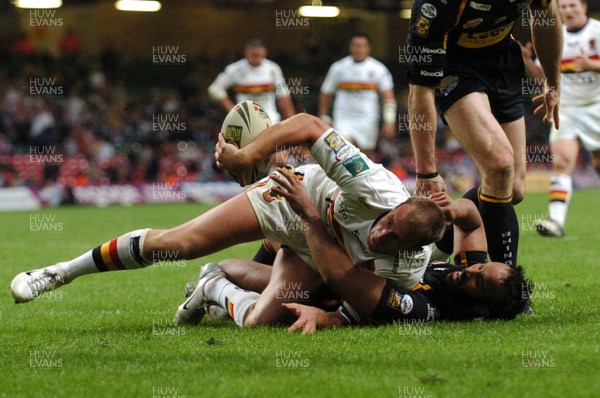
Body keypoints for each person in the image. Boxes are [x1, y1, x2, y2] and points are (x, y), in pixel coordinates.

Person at [10, 113, 446, 329]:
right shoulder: (374, 185)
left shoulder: (406, 269)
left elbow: (362, 302)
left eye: (392, 236)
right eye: (389, 219)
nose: (381, 229)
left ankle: (212, 286)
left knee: (260, 323)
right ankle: (59, 272)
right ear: (397, 203)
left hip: (316, 243)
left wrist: (327, 316)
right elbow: (312, 126)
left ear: (409, 251)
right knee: (179, 244)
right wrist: (247, 156)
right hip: (294, 196)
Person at [175, 174, 532, 332]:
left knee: (263, 315)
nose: (466, 271)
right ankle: (228, 282)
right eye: (478, 269)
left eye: (477, 282)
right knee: (265, 308)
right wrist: (446, 213)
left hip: (328, 271)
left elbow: (345, 279)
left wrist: (323, 317)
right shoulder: (467, 272)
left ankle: (214, 285)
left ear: (480, 309)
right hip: (324, 254)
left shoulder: (422, 310)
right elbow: (471, 219)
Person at [406, 0, 562, 267]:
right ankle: (505, 287)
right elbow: (420, 90)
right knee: (500, 164)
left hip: (502, 59)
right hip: (453, 64)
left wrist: (552, 81)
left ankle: (440, 243)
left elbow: (546, 16)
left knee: (513, 190)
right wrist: (427, 172)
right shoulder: (435, 5)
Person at [521, 0, 600, 237]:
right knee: (563, 162)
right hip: (568, 109)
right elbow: (544, 78)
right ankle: (555, 222)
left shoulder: (597, 31)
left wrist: (592, 65)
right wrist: (526, 61)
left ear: (584, 7)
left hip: (597, 106)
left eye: (572, 6)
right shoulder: (555, 37)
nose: (567, 11)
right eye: (563, 7)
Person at [318, 33, 397, 160]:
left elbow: (388, 98)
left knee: (366, 158)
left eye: (362, 46)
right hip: (343, 118)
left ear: (368, 48)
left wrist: (389, 121)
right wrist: (324, 116)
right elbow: (326, 93)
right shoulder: (338, 68)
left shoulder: (378, 69)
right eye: (355, 45)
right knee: (341, 153)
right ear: (350, 47)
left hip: (368, 119)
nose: (358, 49)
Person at [207, 38, 295, 123]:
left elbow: (283, 97)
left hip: (270, 118)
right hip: (245, 120)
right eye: (253, 55)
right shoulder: (235, 69)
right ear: (246, 53)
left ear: (264, 53)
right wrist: (232, 110)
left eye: (259, 55)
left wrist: (291, 122)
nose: (256, 58)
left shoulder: (273, 69)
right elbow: (214, 89)